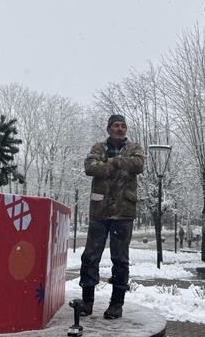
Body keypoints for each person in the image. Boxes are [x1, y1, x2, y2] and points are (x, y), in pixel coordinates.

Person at [78, 114, 145, 320]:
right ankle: (87, 302)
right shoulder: (98, 147)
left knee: (120, 260)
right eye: (116, 125)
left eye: (123, 125)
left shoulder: (134, 147)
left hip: (124, 213)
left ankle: (116, 304)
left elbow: (138, 165)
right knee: (90, 256)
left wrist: (111, 162)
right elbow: (90, 167)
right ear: (109, 129)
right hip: (99, 212)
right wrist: (120, 165)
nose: (120, 128)